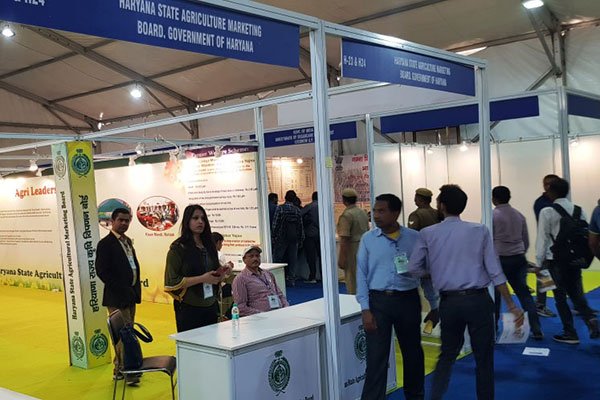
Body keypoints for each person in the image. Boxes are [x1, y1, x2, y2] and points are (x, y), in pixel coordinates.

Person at [408, 184, 524, 400]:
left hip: (449, 302)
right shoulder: (479, 231)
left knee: (447, 355)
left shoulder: (427, 234)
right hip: (479, 301)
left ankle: (435, 397)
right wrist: (511, 305)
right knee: (484, 358)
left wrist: (434, 272)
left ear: (441, 206)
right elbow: (495, 271)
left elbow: (414, 268)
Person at [356, 194, 426, 400]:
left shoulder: (414, 238)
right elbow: (361, 274)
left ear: (396, 213)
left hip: (408, 300)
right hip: (379, 302)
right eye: (375, 211)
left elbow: (425, 271)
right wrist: (365, 308)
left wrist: (434, 303)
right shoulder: (368, 239)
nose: (376, 215)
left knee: (413, 354)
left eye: (381, 211)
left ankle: (415, 396)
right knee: (376, 357)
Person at [535, 178, 599, 344]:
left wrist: (538, 263)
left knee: (560, 298)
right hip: (574, 260)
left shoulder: (547, 211)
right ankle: (591, 319)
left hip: (554, 261)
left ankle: (570, 332)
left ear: (551, 191)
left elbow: (542, 239)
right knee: (577, 294)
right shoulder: (579, 210)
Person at [164, 205, 230, 333]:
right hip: (189, 308)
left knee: (212, 341)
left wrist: (222, 272)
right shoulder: (178, 248)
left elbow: (213, 273)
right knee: (192, 343)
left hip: (211, 305)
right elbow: (171, 282)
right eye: (195, 218)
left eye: (203, 218)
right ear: (187, 221)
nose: (200, 221)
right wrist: (202, 279)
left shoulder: (209, 245)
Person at [96, 207, 142, 384]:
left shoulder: (127, 242)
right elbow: (102, 271)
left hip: (130, 295)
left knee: (127, 333)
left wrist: (133, 291)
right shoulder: (105, 244)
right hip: (117, 297)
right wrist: (121, 288)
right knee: (124, 336)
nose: (124, 223)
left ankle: (120, 368)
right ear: (112, 221)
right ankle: (128, 371)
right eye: (120, 220)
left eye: (126, 220)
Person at [492, 186, 543, 340]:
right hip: (518, 258)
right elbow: (525, 240)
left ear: (494, 199)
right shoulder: (519, 215)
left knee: (496, 296)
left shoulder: (492, 216)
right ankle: (536, 329)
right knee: (524, 294)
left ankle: (493, 328)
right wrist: (520, 253)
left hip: (499, 259)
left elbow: (487, 240)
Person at [407, 187, 441, 330]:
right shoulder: (438, 213)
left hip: (424, 255)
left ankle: (435, 311)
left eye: (416, 197)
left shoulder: (416, 215)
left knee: (427, 287)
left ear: (419, 199)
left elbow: (412, 236)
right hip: (439, 254)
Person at [232, 245, 289, 316]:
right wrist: (262, 315)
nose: (255, 258)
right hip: (260, 318)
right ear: (244, 260)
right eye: (251, 256)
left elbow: (280, 295)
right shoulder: (240, 279)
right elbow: (240, 308)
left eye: (257, 256)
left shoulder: (268, 274)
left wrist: (286, 308)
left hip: (279, 313)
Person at [533, 174, 560, 317]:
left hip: (561, 248)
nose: (548, 186)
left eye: (551, 184)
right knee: (544, 276)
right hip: (548, 246)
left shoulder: (559, 202)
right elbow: (545, 230)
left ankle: (578, 304)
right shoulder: (541, 204)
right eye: (546, 184)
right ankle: (540, 304)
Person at [337, 187, 369, 295]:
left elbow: (344, 238)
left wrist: (342, 258)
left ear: (344, 200)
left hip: (352, 250)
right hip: (364, 248)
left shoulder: (346, 216)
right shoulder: (363, 212)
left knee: (352, 279)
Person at [272, 190, 304, 286]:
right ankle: (291, 279)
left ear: (285, 197)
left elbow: (275, 223)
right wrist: (301, 239)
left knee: (278, 259)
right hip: (294, 238)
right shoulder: (297, 210)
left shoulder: (280, 208)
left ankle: (277, 279)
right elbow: (300, 226)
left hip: (281, 238)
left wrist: (273, 236)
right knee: (292, 260)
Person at [301, 191, 321, 283]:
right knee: (322, 257)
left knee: (311, 257)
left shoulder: (309, 206)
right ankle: (324, 276)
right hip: (321, 235)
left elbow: (299, 215)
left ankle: (312, 276)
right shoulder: (323, 206)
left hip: (310, 234)